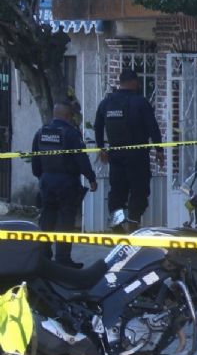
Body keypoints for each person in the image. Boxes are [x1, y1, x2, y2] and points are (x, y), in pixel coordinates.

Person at [94, 69, 164, 231]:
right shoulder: (140, 102)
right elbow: (152, 127)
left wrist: (101, 148)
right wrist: (159, 149)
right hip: (137, 156)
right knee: (139, 190)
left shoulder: (107, 103)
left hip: (116, 156)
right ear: (133, 82)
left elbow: (98, 126)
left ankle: (117, 226)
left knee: (117, 191)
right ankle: (133, 224)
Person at [32, 102, 98, 268]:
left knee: (47, 218)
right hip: (66, 182)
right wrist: (91, 178)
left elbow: (35, 161)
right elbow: (81, 159)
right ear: (67, 116)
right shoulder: (71, 134)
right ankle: (62, 259)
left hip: (47, 181)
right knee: (65, 221)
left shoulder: (41, 132)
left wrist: (43, 177)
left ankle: (44, 255)